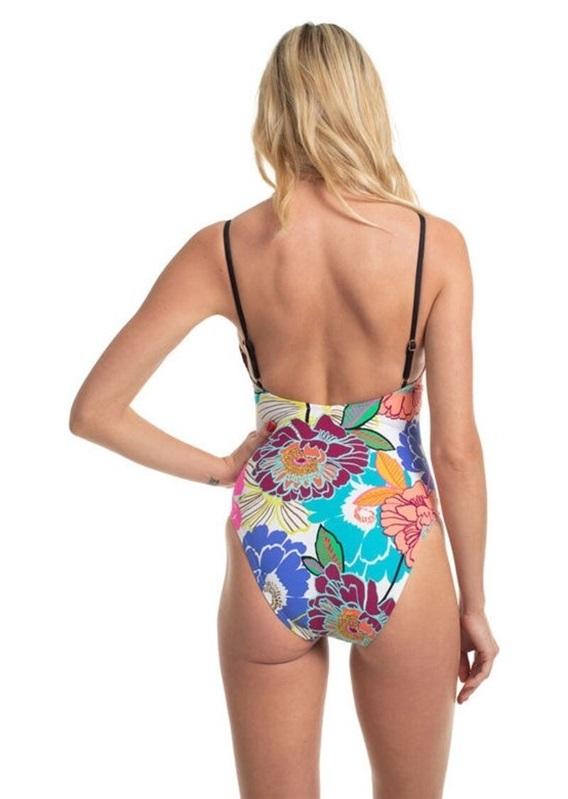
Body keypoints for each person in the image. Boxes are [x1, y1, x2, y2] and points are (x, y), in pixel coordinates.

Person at [69, 21, 499, 799]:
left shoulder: (224, 248)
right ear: (366, 105)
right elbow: (457, 448)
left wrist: (221, 469)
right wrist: (474, 602)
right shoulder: (434, 245)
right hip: (396, 537)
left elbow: (95, 409)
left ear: (274, 111)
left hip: (272, 533)